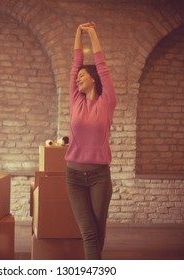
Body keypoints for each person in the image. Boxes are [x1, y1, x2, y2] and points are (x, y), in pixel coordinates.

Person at [65, 22, 117, 260]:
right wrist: (77, 33)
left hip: (99, 176)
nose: (77, 80)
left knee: (98, 230)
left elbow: (101, 65)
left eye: (82, 76)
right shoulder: (75, 100)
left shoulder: (107, 101)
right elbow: (75, 63)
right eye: (76, 78)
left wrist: (92, 33)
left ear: (94, 79)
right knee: (88, 231)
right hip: (74, 176)